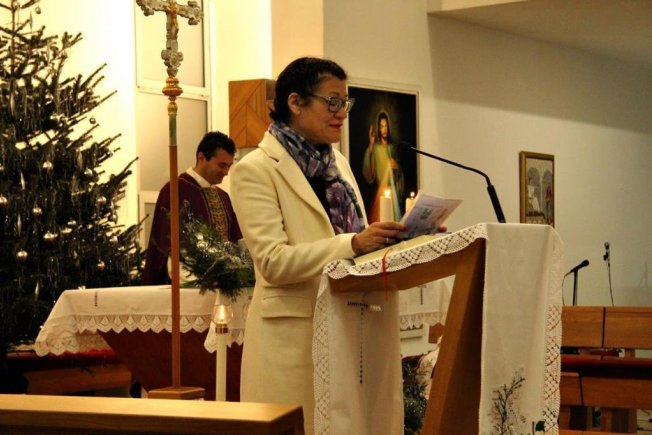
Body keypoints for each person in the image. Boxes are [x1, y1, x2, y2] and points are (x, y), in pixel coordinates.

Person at [229, 57, 406, 434]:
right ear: (295, 102)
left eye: (345, 102)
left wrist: (406, 238)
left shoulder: (337, 164)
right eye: (332, 102)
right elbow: (273, 262)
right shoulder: (255, 170)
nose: (342, 113)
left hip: (352, 326)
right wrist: (353, 244)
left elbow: (358, 242)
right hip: (294, 340)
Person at [142, 130, 243, 401]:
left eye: (229, 166)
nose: (225, 172)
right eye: (221, 165)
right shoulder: (176, 190)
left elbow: (235, 241)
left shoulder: (223, 196)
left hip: (222, 291)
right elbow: (171, 245)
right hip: (188, 287)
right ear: (201, 157)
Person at [362, 111, 404, 222]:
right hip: (380, 195)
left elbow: (399, 175)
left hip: (393, 194)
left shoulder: (392, 148)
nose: (384, 129)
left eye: (386, 126)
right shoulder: (375, 148)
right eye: (381, 126)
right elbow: (369, 174)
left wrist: (397, 168)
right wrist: (371, 145)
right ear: (378, 129)